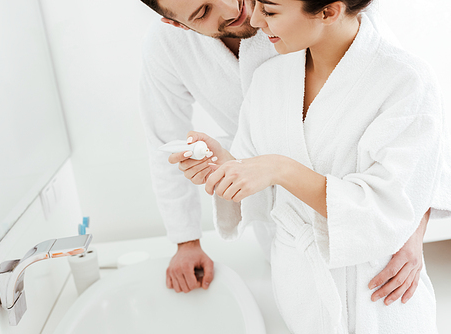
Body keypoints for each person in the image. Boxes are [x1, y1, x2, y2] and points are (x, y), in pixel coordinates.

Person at [138, 0, 432, 306]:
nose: (233, 10)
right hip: (288, 237)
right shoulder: (170, 48)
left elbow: (415, 130)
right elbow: (166, 141)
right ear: (178, 25)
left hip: (376, 236)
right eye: (203, 12)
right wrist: (187, 239)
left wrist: (408, 233)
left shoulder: (321, 11)